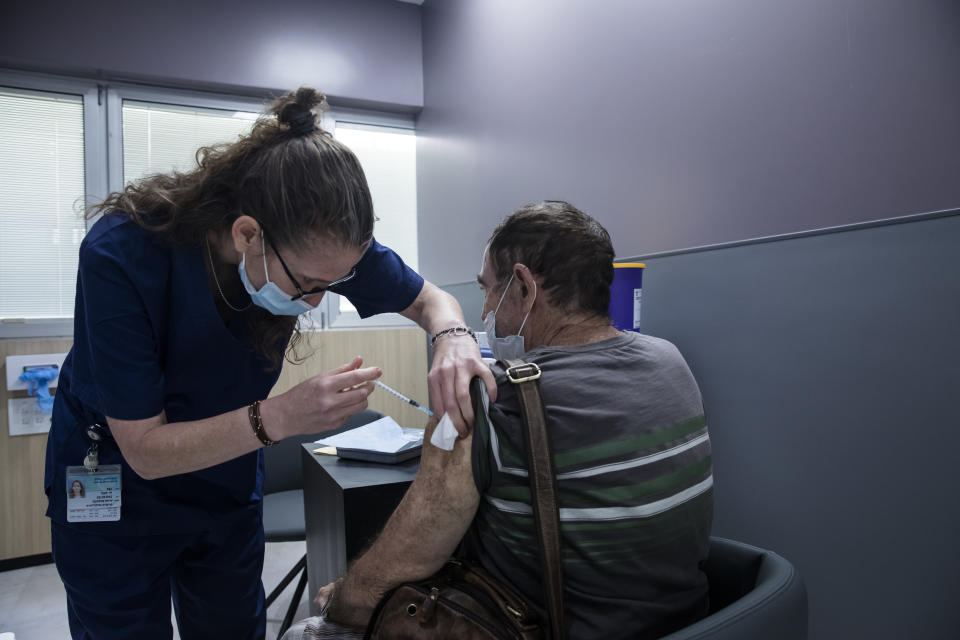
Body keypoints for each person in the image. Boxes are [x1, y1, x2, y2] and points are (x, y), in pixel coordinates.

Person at [44, 86, 495, 640]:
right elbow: (146, 452)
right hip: (116, 480)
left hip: (224, 477)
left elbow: (432, 301)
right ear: (247, 233)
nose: (314, 301)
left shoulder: (324, 246)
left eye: (330, 286)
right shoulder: (122, 254)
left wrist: (453, 337)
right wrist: (281, 417)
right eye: (307, 285)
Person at [285, 201, 714, 640]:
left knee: (310, 632)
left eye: (489, 289)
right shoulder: (670, 360)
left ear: (525, 288)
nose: (485, 309)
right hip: (691, 623)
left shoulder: (490, 398)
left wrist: (337, 598)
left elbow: (388, 577)